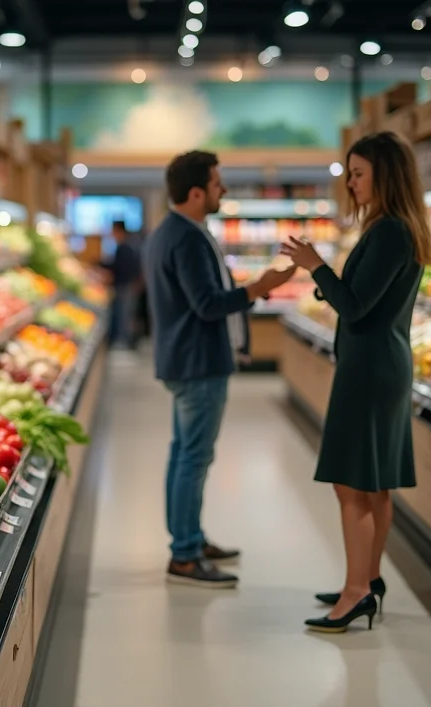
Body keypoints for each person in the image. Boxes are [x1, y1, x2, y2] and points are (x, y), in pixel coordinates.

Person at [280, 131, 431, 631]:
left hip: (368, 369)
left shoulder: (390, 231)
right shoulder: (399, 228)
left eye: (358, 172)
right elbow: (362, 300)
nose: (350, 182)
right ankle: (369, 578)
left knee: (350, 486)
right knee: (376, 484)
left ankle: (355, 591)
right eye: (350, 172)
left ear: (385, 175)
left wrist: (315, 266)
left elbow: (354, 305)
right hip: (382, 362)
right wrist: (329, 279)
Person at [145, 150, 296, 588]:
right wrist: (260, 288)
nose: (223, 190)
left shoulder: (172, 230)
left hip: (184, 358)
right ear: (196, 193)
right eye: (216, 184)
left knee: (184, 454)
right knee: (193, 456)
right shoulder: (187, 237)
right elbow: (208, 305)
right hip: (198, 362)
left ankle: (189, 538)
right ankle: (186, 556)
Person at [107, 220, 143, 349]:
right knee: (126, 314)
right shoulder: (127, 245)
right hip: (127, 286)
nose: (111, 234)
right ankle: (125, 342)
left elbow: (123, 268)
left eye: (113, 231)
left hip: (126, 287)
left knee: (125, 315)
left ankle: (125, 342)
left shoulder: (125, 247)